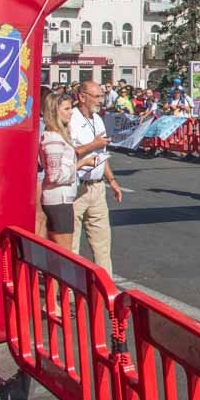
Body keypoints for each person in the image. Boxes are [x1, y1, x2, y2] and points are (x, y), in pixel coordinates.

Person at [71, 80, 123, 273]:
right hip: (76, 188)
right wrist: (92, 145)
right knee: (71, 245)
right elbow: (66, 154)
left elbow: (102, 154)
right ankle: (68, 293)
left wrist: (112, 180)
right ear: (82, 97)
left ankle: (106, 292)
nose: (101, 101)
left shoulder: (98, 119)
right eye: (96, 96)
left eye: (101, 96)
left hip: (97, 187)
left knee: (102, 245)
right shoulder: (71, 118)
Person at [40, 93, 98, 251]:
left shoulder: (59, 135)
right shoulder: (53, 138)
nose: (71, 112)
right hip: (58, 199)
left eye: (70, 108)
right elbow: (54, 175)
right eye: (66, 109)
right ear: (54, 111)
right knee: (64, 251)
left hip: (62, 198)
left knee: (61, 250)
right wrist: (81, 164)